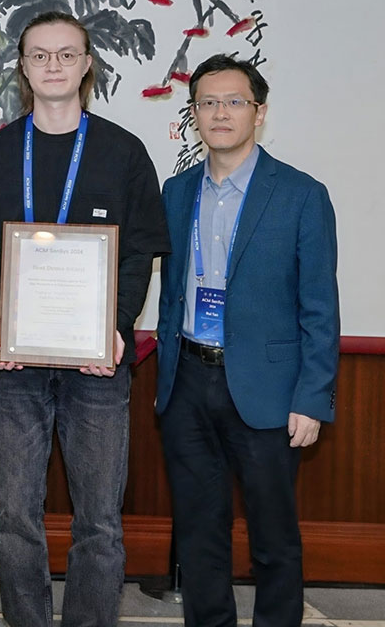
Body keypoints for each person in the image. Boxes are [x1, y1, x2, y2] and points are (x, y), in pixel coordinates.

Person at [0, 11, 170, 627]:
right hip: (13, 363)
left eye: (66, 54)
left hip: (97, 364)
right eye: (40, 55)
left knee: (99, 519)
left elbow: (139, 253)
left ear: (86, 65)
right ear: (23, 68)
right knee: (15, 515)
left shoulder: (123, 152)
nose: (53, 65)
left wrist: (117, 325)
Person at [155, 54, 338, 627]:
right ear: (194, 115)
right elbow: (169, 292)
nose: (220, 113)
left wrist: (312, 397)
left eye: (234, 101)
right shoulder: (176, 191)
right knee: (199, 534)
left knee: (272, 538)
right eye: (207, 102)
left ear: (258, 112)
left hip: (266, 389)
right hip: (186, 382)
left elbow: (319, 307)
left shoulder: (302, 195)